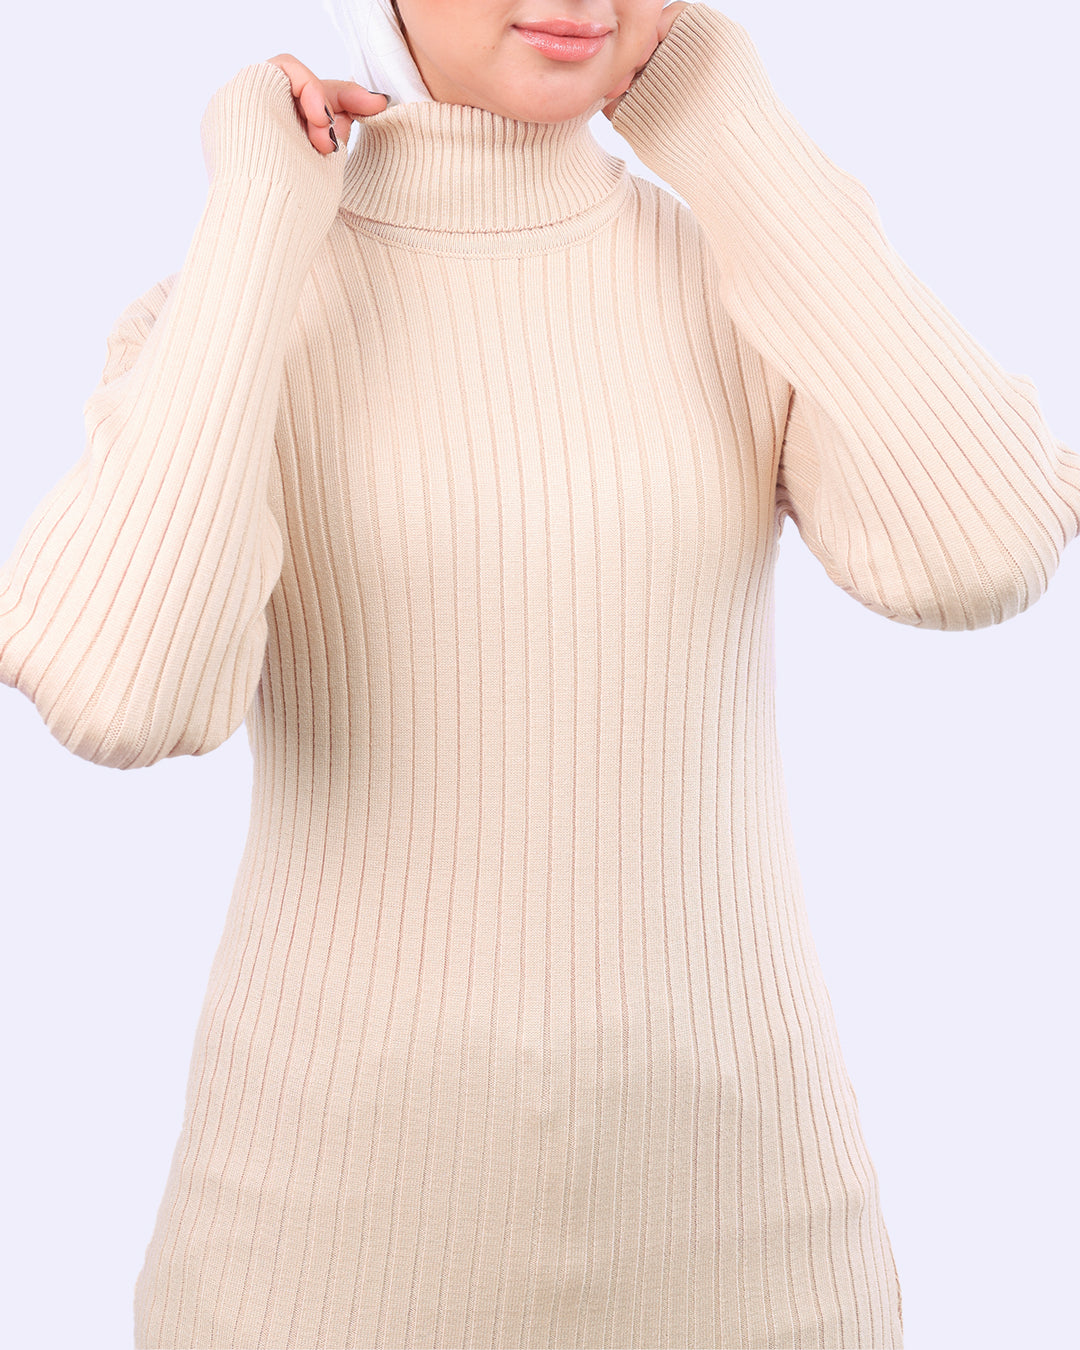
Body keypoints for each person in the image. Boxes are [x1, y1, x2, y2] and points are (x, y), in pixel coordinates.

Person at [1, 2, 1076, 1346]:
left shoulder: (740, 275)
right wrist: (256, 226)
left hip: (759, 1260)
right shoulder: (239, 306)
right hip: (312, 1268)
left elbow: (982, 551)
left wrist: (727, 126)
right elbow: (122, 691)